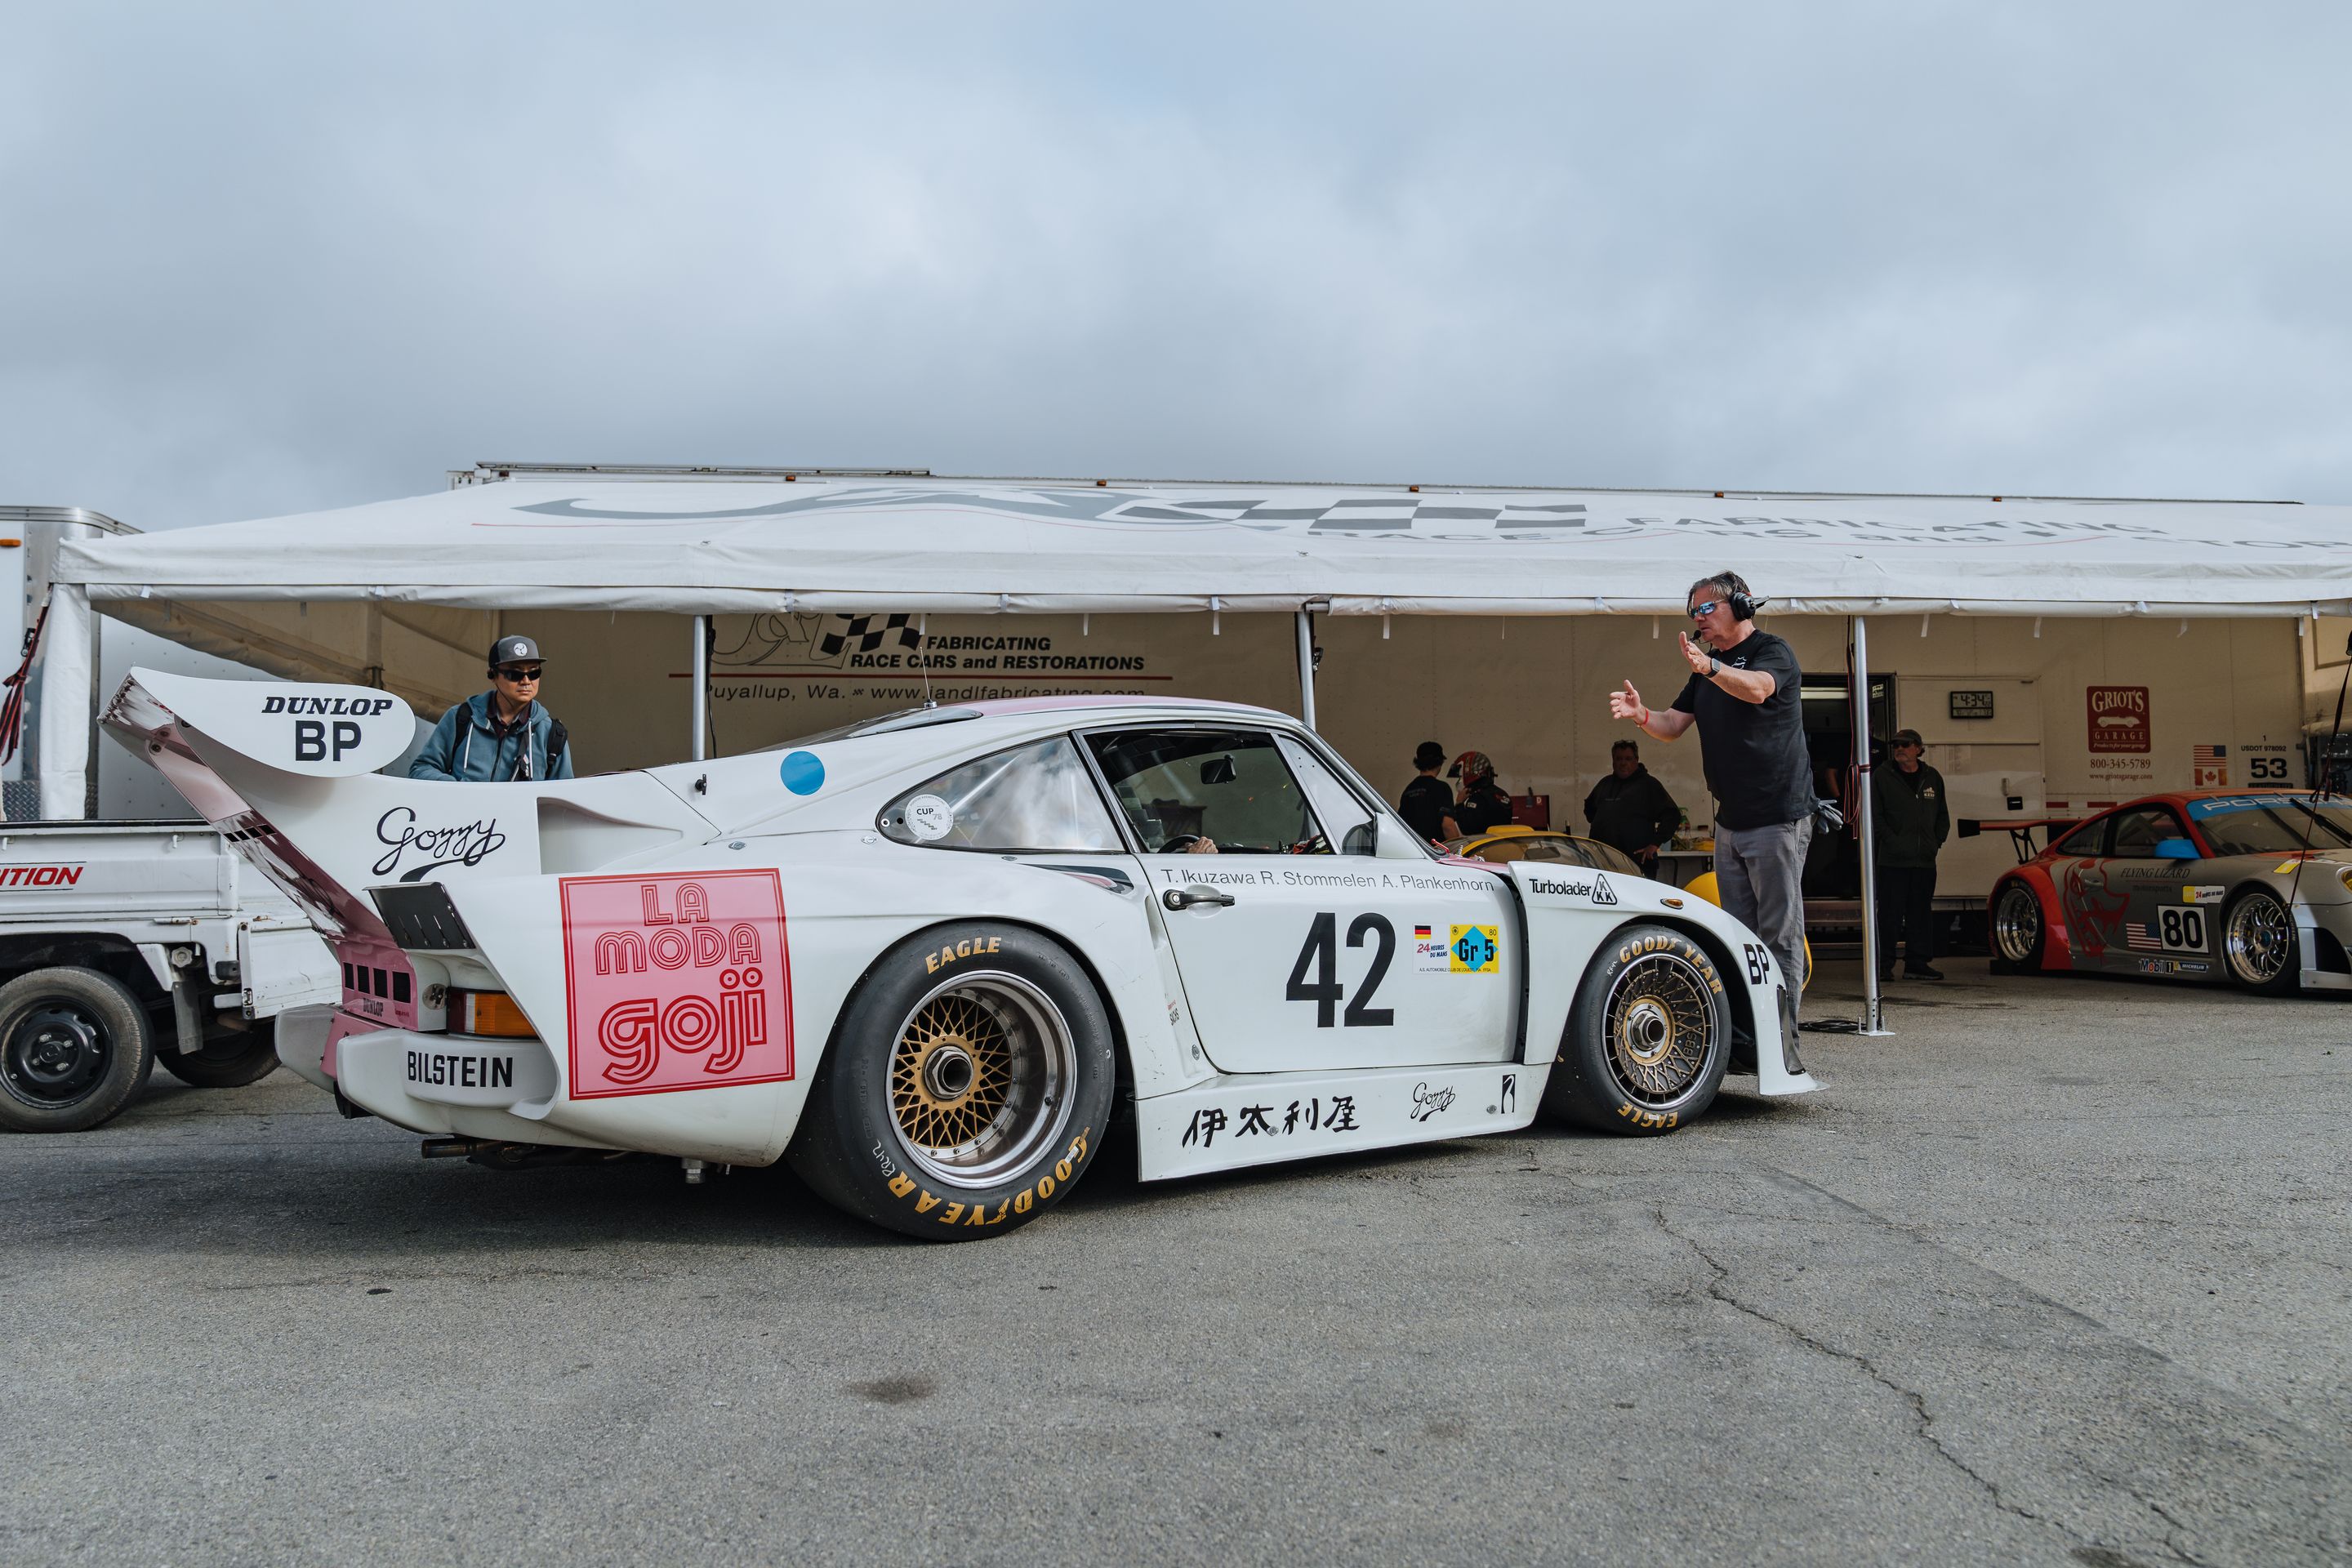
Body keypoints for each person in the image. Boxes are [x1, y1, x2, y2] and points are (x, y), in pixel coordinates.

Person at [1608, 571, 1813, 1009]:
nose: (1698, 618)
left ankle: (1783, 1041)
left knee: (1780, 932)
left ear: (1741, 605)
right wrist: (1642, 714)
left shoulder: (1771, 651)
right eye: (1693, 610)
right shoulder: (1705, 669)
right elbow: (1673, 725)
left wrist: (1711, 667)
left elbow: (1759, 690)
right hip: (1731, 820)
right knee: (1739, 934)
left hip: (1777, 815)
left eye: (1706, 608)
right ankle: (1748, 1036)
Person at [409, 635, 576, 782]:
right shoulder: (461, 717)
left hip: (518, 818)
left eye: (534, 673)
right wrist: (457, 789)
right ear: (493, 675)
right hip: (464, 817)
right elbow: (421, 769)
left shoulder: (553, 733)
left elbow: (564, 798)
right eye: (515, 675)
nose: (526, 681)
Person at [1871, 728, 1949, 981]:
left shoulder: (1932, 777)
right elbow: (1876, 816)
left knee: (1921, 913)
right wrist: (1892, 842)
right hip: (1893, 861)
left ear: (1918, 748)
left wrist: (1935, 842)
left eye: (1905, 744)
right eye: (1895, 745)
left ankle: (1917, 963)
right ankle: (1883, 965)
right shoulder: (1882, 776)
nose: (1899, 749)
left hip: (1924, 860)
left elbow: (1942, 815)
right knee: (1890, 915)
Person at [1583, 739, 1682, 875]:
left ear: (1636, 760)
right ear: (1613, 761)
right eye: (1619, 759)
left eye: (1628, 759)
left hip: (1637, 864)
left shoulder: (1649, 785)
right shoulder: (1604, 784)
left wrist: (1655, 844)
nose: (1623, 763)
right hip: (1604, 864)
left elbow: (1672, 815)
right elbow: (1590, 811)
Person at [1441, 751, 1513, 839]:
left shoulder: (1477, 798)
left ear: (1470, 773)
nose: (1460, 780)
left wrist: (1459, 803)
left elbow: (1467, 829)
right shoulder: (1503, 794)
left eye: (1461, 777)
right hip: (1504, 845)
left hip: (1485, 848)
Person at [1396, 741, 1454, 844]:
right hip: (1436, 852)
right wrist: (1460, 851)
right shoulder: (1442, 788)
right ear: (1440, 763)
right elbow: (1448, 826)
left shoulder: (1409, 790)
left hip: (1414, 851)